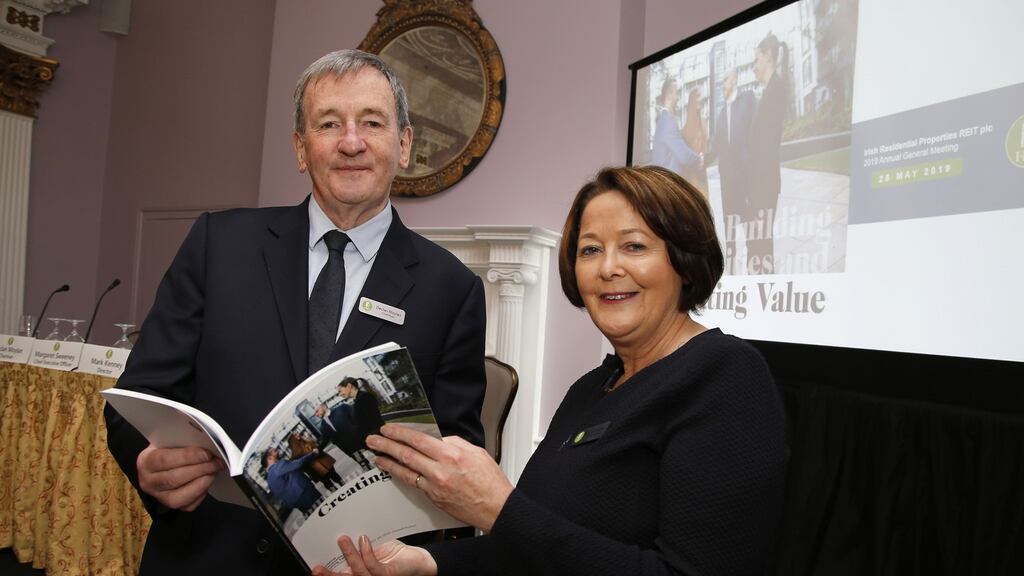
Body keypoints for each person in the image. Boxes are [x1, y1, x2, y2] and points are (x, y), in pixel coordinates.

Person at [104, 49, 487, 576]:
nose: (351, 142)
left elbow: (456, 462)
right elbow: (140, 398)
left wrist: (423, 561)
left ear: (403, 145)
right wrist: (148, 461)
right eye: (329, 123)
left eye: (371, 123)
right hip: (207, 556)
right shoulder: (219, 244)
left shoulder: (453, 289)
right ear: (301, 148)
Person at [316, 166, 789, 576]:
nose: (607, 268)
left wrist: (500, 508)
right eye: (589, 250)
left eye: (634, 246)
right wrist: (428, 564)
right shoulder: (592, 388)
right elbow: (537, 548)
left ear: (684, 262)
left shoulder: (725, 378)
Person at [746, 33, 790, 274]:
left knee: (760, 247)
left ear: (768, 56)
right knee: (758, 246)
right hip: (759, 187)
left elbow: (766, 146)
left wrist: (755, 194)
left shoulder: (776, 88)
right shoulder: (770, 89)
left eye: (756, 60)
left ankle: (764, 299)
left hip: (764, 186)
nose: (753, 67)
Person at [710, 69, 755, 271]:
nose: (722, 85)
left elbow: (755, 133)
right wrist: (701, 160)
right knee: (729, 220)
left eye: (725, 81)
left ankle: (752, 258)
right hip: (726, 178)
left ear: (735, 79)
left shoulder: (747, 99)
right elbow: (718, 145)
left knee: (747, 218)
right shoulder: (721, 113)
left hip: (745, 175)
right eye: (721, 83)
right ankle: (730, 262)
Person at [651, 77, 702, 179]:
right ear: (669, 94)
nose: (678, 98)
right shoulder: (669, 121)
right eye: (676, 93)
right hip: (670, 184)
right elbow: (684, 155)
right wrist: (698, 159)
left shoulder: (662, 120)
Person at [264, 448, 323, 513]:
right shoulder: (277, 467)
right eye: (274, 451)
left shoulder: (269, 479)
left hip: (295, 502)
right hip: (305, 493)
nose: (277, 450)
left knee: (315, 516)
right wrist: (313, 454)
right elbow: (298, 463)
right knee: (324, 507)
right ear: (269, 458)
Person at [680, 88, 709, 196]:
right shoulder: (685, 129)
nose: (699, 100)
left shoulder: (704, 122)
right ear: (692, 101)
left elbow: (705, 145)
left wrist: (703, 156)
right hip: (691, 174)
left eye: (700, 97)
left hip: (702, 172)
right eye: (697, 97)